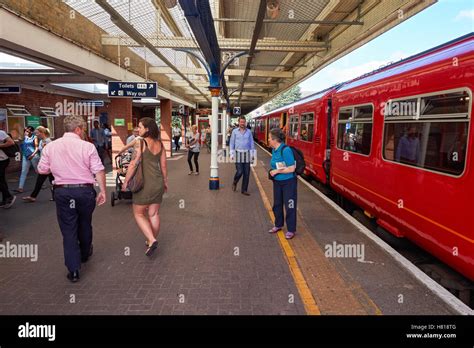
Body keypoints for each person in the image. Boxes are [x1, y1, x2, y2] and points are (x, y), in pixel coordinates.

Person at [38, 115, 106, 283]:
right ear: (77, 129)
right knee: (84, 223)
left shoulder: (50, 147)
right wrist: (103, 190)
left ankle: (74, 270)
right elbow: (98, 170)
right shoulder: (88, 147)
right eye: (82, 129)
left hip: (63, 192)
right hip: (85, 192)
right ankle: (84, 253)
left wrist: (58, 167)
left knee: (68, 230)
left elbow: (42, 170)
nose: (83, 132)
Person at [122, 117, 168, 257]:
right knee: (153, 214)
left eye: (140, 127)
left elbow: (133, 164)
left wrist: (125, 182)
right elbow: (164, 166)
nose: (138, 129)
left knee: (139, 213)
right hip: (158, 182)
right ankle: (150, 240)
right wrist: (165, 182)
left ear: (147, 129)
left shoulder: (140, 143)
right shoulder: (160, 144)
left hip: (144, 184)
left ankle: (152, 239)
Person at [268, 128, 297, 239]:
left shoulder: (285, 150)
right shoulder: (274, 150)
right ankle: (278, 225)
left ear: (275, 140)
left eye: (270, 138)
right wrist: (273, 171)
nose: (268, 140)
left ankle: (291, 229)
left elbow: (292, 168)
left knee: (290, 205)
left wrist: (276, 171)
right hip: (277, 182)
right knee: (277, 204)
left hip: (288, 182)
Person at [22, 126, 55, 203]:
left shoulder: (48, 141)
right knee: (48, 181)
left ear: (42, 132)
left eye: (37, 133)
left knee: (48, 181)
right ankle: (34, 196)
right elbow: (41, 153)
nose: (36, 135)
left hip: (49, 165)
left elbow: (51, 154)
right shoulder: (41, 141)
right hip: (44, 164)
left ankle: (33, 196)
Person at [230, 116, 255, 196]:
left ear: (245, 122)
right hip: (238, 153)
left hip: (247, 153)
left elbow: (252, 143)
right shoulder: (234, 131)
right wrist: (231, 154)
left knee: (247, 173)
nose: (242, 123)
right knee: (240, 171)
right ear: (238, 122)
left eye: (244, 122)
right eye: (241, 122)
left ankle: (244, 190)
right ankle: (235, 181)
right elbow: (232, 143)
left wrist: (252, 155)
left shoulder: (249, 132)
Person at [15, 126, 40, 193]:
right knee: (23, 171)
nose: (26, 133)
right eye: (25, 131)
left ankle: (41, 184)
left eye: (28, 131)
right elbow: (22, 147)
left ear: (32, 131)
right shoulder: (24, 138)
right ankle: (20, 188)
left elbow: (37, 148)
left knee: (37, 170)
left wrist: (32, 155)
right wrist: (20, 141)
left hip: (33, 156)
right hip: (25, 156)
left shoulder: (35, 137)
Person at [0, 130, 16, 208]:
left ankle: (9, 196)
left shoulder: (1, 133)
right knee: (2, 180)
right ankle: (4, 200)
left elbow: (11, 142)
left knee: (0, 181)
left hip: (2, 160)